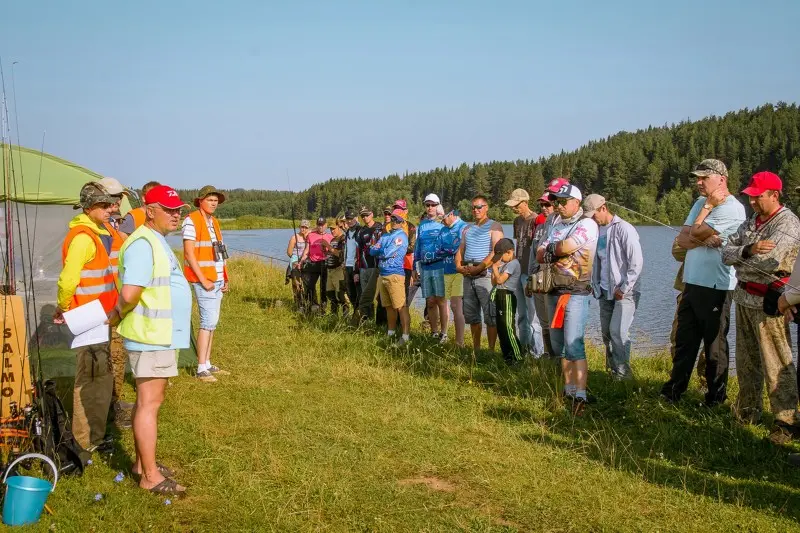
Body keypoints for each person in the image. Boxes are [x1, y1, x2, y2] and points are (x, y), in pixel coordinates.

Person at [108, 184, 191, 496]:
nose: (176, 215)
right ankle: (150, 476)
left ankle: (144, 465)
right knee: (148, 404)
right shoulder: (143, 242)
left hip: (158, 335)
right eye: (169, 209)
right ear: (149, 209)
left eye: (178, 209)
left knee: (150, 401)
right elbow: (130, 293)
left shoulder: (154, 239)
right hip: (150, 335)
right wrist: (116, 314)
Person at [722, 172, 800, 443]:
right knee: (746, 361)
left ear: (774, 195)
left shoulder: (788, 222)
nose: (752, 201)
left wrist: (745, 255)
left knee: (776, 361)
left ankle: (786, 421)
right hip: (743, 298)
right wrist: (748, 250)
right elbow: (726, 252)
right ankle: (747, 410)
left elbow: (771, 261)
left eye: (758, 196)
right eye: (750, 196)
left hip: (770, 302)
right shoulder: (751, 221)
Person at [661, 159, 746, 407]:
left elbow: (694, 234)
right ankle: (673, 392)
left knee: (714, 345)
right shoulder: (702, 203)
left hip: (717, 286)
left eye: (704, 178)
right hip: (692, 281)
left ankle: (716, 398)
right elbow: (682, 240)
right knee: (685, 340)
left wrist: (699, 230)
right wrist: (706, 209)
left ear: (722, 179)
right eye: (697, 178)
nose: (698, 183)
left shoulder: (732, 208)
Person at [55, 181, 122, 451]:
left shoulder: (99, 232)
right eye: (104, 205)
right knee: (89, 379)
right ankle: (85, 441)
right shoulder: (84, 238)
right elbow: (67, 280)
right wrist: (64, 307)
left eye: (110, 204)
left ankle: (96, 434)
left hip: (102, 318)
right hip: (89, 320)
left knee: (100, 377)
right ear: (89, 207)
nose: (110, 209)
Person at [536, 183, 598, 415]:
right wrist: (555, 249)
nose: (558, 206)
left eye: (563, 202)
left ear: (576, 203)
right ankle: (568, 388)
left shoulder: (587, 224)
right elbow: (540, 253)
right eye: (556, 202)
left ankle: (580, 395)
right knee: (559, 344)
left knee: (574, 343)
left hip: (575, 292)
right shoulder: (557, 224)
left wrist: (553, 249)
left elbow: (569, 246)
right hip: (554, 290)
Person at [584, 194, 643, 381]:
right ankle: (612, 371)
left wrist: (624, 288)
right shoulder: (597, 231)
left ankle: (624, 376)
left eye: (594, 215)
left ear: (603, 208)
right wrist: (594, 283)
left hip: (625, 292)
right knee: (607, 334)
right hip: (604, 291)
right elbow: (597, 262)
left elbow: (636, 262)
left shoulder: (624, 229)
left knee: (618, 332)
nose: (593, 219)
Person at [183, 185, 230, 383]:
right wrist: (203, 279)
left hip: (217, 279)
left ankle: (207, 362)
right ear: (200, 201)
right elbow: (189, 253)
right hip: (204, 280)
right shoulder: (191, 220)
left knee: (212, 323)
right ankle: (201, 367)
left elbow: (220, 253)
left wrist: (225, 277)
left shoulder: (215, 222)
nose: (214, 203)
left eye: (216, 200)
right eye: (210, 199)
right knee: (207, 322)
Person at [97, 177, 134, 428]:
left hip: (116, 302)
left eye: (121, 197)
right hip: (101, 305)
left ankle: (115, 402)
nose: (119, 201)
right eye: (115, 197)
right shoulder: (97, 229)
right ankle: (107, 408)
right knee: (103, 358)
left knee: (117, 356)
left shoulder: (114, 226)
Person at [455, 195, 504, 352]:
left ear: (486, 207)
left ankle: (490, 350)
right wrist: (458, 266)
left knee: (490, 315)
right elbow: (460, 250)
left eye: (479, 207)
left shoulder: (494, 226)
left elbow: (497, 252)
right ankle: (476, 349)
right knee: (471, 315)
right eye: (473, 207)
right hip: (468, 275)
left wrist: (480, 267)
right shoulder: (467, 229)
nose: (476, 210)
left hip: (486, 275)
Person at [528, 181, 566, 358]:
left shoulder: (570, 222)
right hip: (540, 276)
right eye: (542, 204)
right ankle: (548, 354)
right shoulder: (543, 225)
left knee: (556, 320)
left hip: (558, 276)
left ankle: (560, 357)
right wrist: (531, 277)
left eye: (548, 204)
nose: (544, 207)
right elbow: (534, 251)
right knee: (543, 318)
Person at [505, 188, 544, 357]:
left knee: (533, 315)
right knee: (521, 314)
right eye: (512, 205)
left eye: (516, 205)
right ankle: (524, 348)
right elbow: (516, 245)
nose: (514, 208)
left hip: (530, 273)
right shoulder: (516, 221)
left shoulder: (536, 220)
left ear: (525, 203)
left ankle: (538, 352)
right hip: (518, 270)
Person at [370, 209, 410, 345]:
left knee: (401, 306)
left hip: (395, 274)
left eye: (398, 220)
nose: (394, 222)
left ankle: (405, 336)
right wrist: (381, 250)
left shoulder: (402, 236)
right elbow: (372, 251)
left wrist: (381, 250)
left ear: (402, 222)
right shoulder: (385, 235)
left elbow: (386, 252)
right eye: (393, 219)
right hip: (383, 274)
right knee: (388, 306)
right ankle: (391, 333)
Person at [415, 194, 448, 342]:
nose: (430, 208)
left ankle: (444, 333)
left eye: (433, 205)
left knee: (441, 300)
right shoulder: (422, 224)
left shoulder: (443, 222)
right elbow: (418, 246)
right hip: (425, 267)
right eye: (427, 205)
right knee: (430, 301)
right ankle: (434, 332)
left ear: (438, 206)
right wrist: (416, 266)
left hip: (440, 266)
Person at [490, 238, 524, 364]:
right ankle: (507, 356)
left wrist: (494, 269)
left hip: (507, 296)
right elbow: (494, 282)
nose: (500, 258)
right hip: (499, 295)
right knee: (501, 328)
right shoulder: (504, 264)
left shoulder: (513, 264)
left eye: (501, 255)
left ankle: (517, 355)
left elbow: (500, 281)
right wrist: (494, 271)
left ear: (509, 252)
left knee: (508, 327)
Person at [438, 209, 467, 347]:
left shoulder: (463, 227)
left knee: (456, 306)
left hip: (458, 272)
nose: (442, 221)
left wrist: (449, 250)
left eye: (443, 218)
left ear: (451, 214)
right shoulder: (443, 229)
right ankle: (443, 334)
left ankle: (459, 342)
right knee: (443, 304)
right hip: (445, 270)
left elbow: (460, 249)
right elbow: (438, 249)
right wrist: (449, 250)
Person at [354, 207, 383, 323]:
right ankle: (368, 320)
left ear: (372, 214)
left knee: (378, 296)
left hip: (376, 267)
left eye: (366, 215)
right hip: (363, 268)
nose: (365, 218)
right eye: (363, 216)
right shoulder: (361, 231)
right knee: (365, 295)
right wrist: (356, 270)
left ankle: (380, 321)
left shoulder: (380, 228)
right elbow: (357, 251)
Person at [299, 217, 332, 312]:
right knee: (310, 285)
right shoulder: (311, 235)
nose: (320, 227)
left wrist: (327, 251)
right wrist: (301, 261)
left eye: (322, 225)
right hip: (313, 263)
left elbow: (333, 252)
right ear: (316, 225)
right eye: (318, 225)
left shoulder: (330, 237)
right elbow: (306, 250)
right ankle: (313, 304)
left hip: (325, 263)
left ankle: (323, 306)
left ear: (326, 225)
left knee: (324, 286)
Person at [323, 219, 348, 315]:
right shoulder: (333, 240)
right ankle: (334, 315)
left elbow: (341, 254)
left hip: (339, 270)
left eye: (334, 229)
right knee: (330, 293)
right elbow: (332, 252)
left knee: (341, 294)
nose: (332, 231)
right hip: (330, 270)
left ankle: (345, 315)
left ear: (339, 228)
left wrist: (328, 247)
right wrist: (326, 251)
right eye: (330, 229)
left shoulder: (343, 239)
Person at [286, 220, 310, 308]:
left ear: (308, 228)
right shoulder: (294, 237)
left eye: (306, 227)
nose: (303, 229)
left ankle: (307, 301)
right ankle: (298, 302)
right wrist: (295, 260)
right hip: (295, 261)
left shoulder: (310, 236)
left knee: (306, 282)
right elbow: (289, 252)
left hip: (306, 261)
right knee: (296, 283)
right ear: (299, 227)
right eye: (302, 227)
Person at [342, 210, 362, 311]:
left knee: (359, 292)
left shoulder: (360, 231)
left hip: (356, 266)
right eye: (347, 219)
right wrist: (344, 262)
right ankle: (356, 312)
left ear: (356, 219)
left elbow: (361, 250)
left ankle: (362, 315)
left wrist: (357, 267)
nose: (349, 221)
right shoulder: (348, 232)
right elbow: (346, 248)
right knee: (350, 292)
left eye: (351, 219)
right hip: (347, 265)